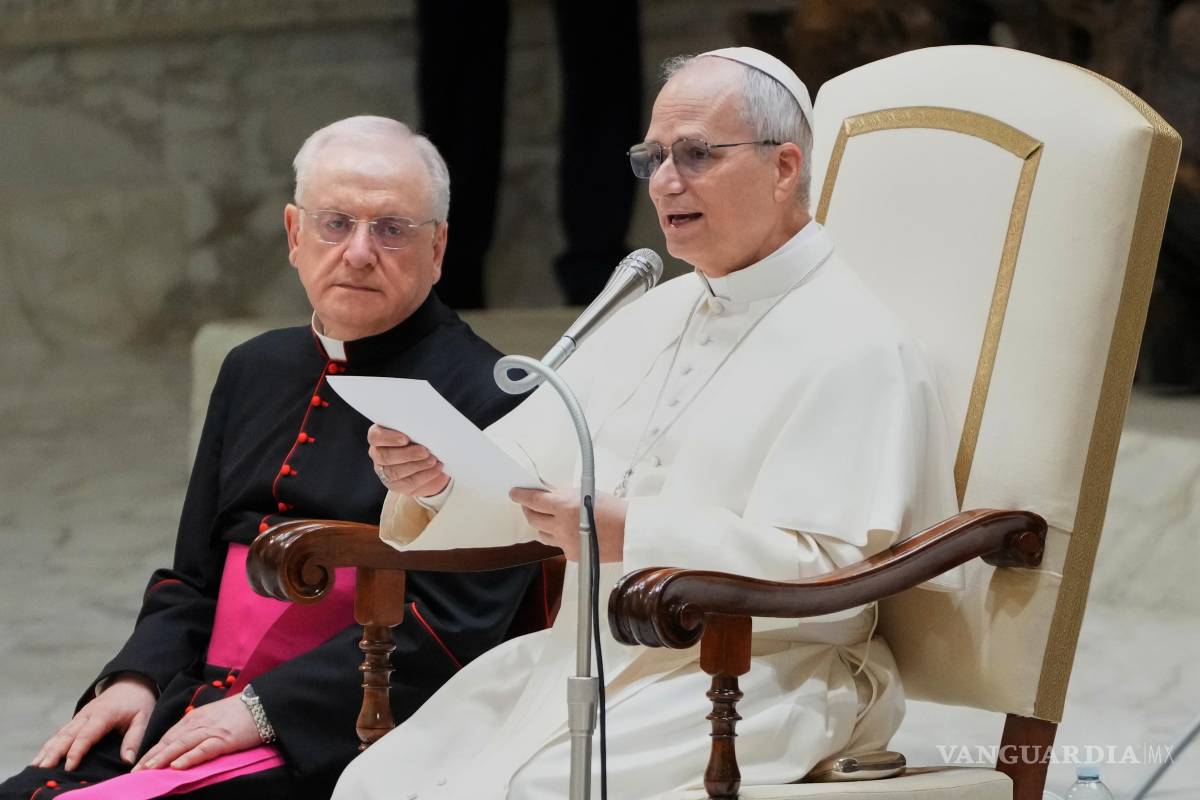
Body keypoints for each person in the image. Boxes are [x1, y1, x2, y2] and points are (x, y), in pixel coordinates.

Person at [340, 48, 961, 799]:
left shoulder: (859, 343)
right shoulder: (657, 309)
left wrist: (629, 532)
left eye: (696, 154)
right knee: (376, 780)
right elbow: (525, 464)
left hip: (758, 677)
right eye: (653, 157)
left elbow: (830, 561)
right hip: (587, 656)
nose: (667, 181)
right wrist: (437, 478)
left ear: (785, 166)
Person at [0, 116, 536, 800]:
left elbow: (455, 629)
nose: (360, 252)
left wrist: (265, 710)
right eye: (335, 223)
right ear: (293, 234)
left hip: (348, 734)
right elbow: (191, 578)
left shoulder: (495, 394)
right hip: (191, 706)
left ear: (439, 248)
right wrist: (136, 676)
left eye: (393, 229)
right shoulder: (254, 367)